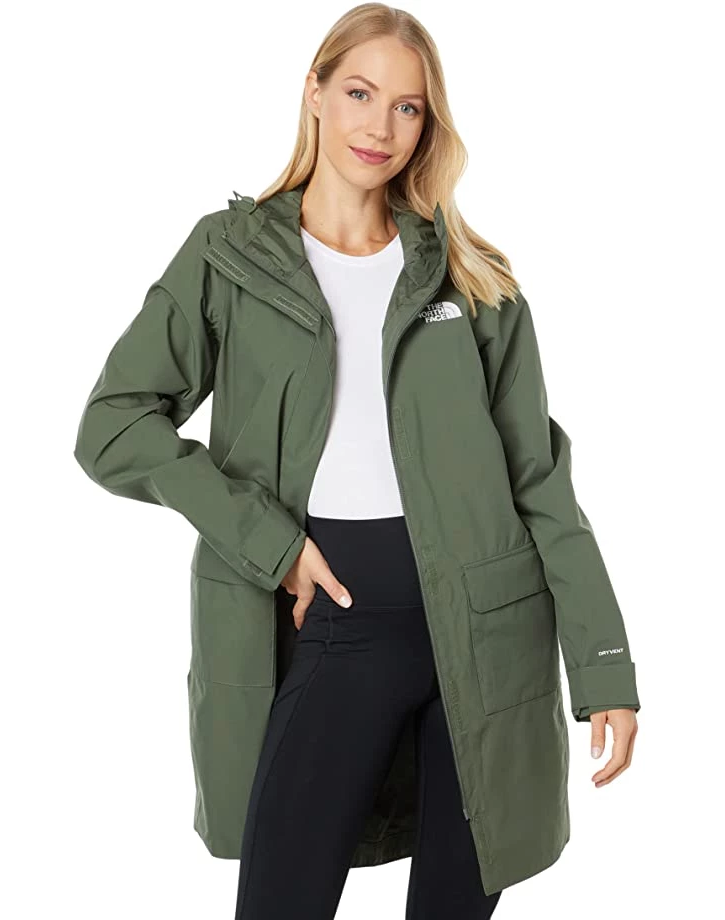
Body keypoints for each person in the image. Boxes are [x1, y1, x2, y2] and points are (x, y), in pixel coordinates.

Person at [73, 4, 640, 918]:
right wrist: (269, 542)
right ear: (316, 93)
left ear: (428, 125)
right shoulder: (229, 256)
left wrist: (605, 666)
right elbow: (112, 425)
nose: (381, 126)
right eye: (360, 94)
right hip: (332, 622)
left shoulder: (469, 274)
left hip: (488, 633)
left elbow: (539, 481)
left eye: (408, 107)